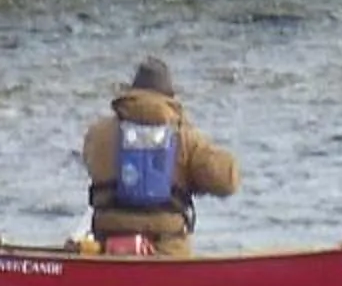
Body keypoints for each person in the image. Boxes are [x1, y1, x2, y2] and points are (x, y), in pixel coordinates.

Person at [80, 54, 238, 256]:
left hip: (109, 248)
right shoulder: (185, 137)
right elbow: (227, 181)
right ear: (170, 98)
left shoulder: (98, 133)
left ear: (131, 91)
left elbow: (91, 163)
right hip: (166, 250)